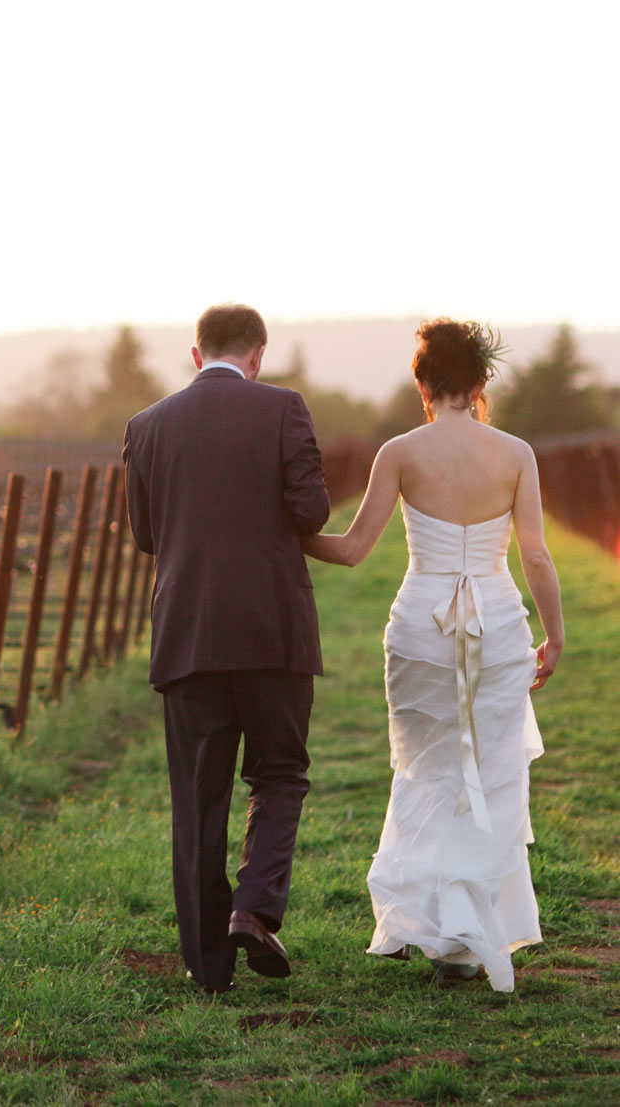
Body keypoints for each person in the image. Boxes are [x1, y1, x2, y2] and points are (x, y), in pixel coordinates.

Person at [303, 319, 564, 993]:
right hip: (500, 623)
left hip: (421, 624)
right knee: (490, 771)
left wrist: (288, 530)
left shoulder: (399, 450)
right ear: (481, 383)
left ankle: (439, 927)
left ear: (422, 382)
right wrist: (554, 631)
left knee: (427, 768)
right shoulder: (515, 452)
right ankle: (465, 941)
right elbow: (534, 552)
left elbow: (353, 547)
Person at [123, 303, 330, 994]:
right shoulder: (283, 409)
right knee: (278, 773)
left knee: (198, 797)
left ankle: (208, 967)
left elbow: (147, 535)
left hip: (187, 634)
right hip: (273, 628)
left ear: (195, 352)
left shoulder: (146, 426)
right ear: (258, 354)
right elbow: (310, 512)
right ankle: (254, 908)